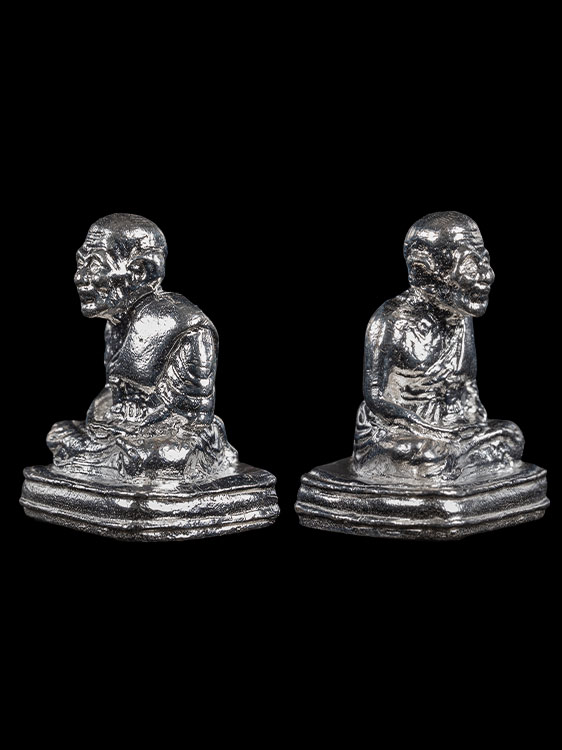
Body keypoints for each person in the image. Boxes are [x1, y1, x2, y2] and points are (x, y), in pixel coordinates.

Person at [47, 213, 237, 480]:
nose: (80, 277)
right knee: (60, 433)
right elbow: (111, 396)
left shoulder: (181, 324)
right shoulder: (116, 322)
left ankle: (110, 459)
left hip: (170, 438)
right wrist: (116, 419)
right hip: (125, 432)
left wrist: (137, 421)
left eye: (95, 265)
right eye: (80, 264)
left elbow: (196, 421)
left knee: (150, 458)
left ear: (139, 271)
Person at [352, 211, 524, 481]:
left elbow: (466, 386)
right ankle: (457, 460)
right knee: (431, 456)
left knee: (512, 436)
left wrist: (470, 422)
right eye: (470, 266)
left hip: (451, 426)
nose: (488, 274)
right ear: (424, 272)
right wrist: (429, 430)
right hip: (401, 431)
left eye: (485, 261)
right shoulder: (390, 321)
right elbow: (376, 399)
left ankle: (458, 460)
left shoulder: (460, 317)